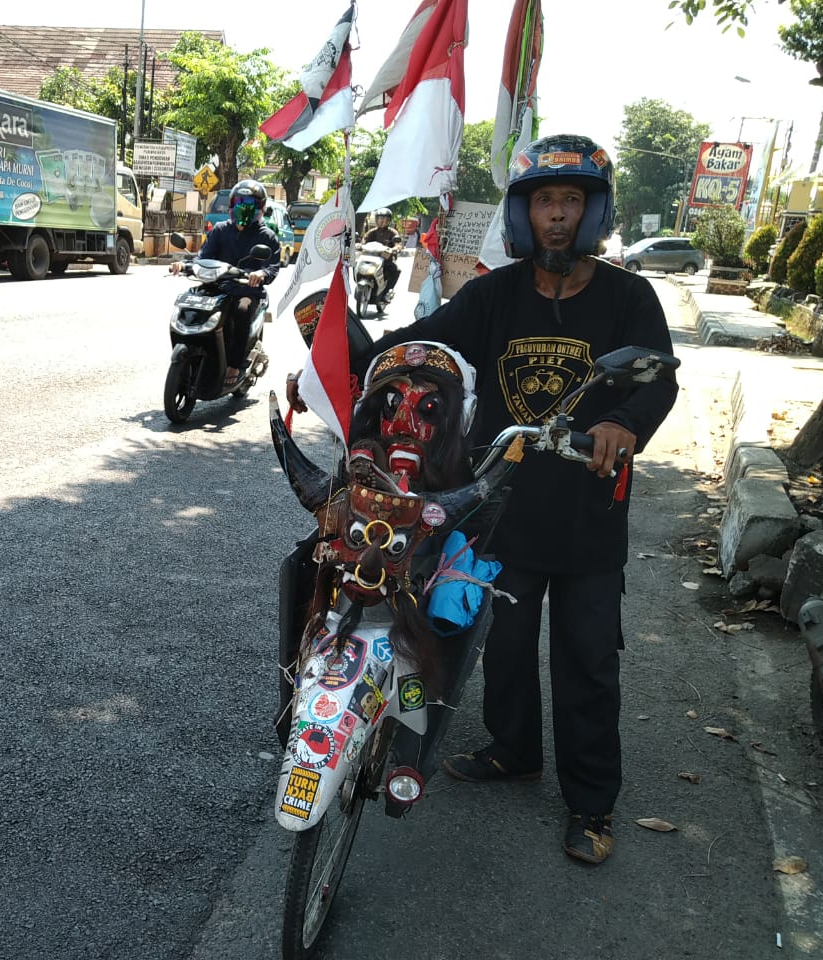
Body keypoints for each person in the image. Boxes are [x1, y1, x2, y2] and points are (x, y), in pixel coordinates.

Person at [287, 134, 678, 865]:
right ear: (523, 214)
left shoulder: (630, 296)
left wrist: (623, 422)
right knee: (499, 639)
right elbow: (420, 341)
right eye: (542, 202)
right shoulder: (496, 293)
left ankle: (592, 804)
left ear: (593, 211)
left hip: (589, 512)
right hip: (499, 501)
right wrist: (335, 370)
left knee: (587, 657)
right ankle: (513, 749)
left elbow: (658, 378)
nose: (556, 217)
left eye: (570, 201)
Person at [172, 178, 280, 386]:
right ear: (232, 205)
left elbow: (272, 267)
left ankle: (235, 364)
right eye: (239, 203)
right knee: (189, 301)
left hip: (246, 290)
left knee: (241, 310)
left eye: (249, 204)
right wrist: (183, 265)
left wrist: (260, 274)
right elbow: (202, 257)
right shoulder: (220, 230)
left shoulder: (266, 237)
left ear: (260, 207)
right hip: (218, 286)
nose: (243, 208)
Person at [362, 207, 403, 298]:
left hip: (386, 261)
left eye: (386, 219)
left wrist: (394, 249)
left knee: (396, 270)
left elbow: (398, 244)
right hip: (371, 259)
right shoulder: (371, 232)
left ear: (389, 220)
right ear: (376, 219)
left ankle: (387, 292)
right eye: (381, 218)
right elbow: (364, 241)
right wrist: (359, 246)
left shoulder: (392, 232)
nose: (383, 221)